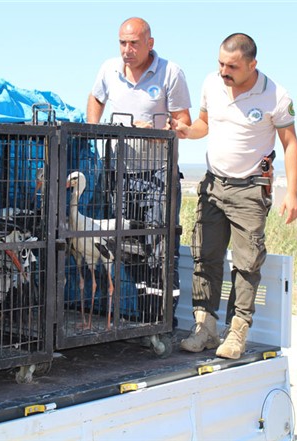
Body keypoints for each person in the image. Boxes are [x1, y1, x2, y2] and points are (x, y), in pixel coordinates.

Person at [173, 33, 297, 359]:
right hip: (214, 184)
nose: (224, 71)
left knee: (246, 263)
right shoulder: (211, 84)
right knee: (206, 256)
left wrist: (293, 193)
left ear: (252, 64)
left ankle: (238, 330)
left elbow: (290, 144)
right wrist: (188, 132)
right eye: (220, 63)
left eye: (232, 66)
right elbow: (204, 124)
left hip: (249, 190)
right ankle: (205, 327)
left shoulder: (276, 95)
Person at [87, 17, 192, 327]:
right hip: (119, 175)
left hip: (158, 175)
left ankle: (162, 321)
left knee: (160, 249)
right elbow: (95, 97)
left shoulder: (171, 72)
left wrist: (161, 130)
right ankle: (144, 315)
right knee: (128, 247)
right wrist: (95, 129)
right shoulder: (108, 70)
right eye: (122, 43)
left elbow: (182, 121)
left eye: (134, 43)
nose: (127, 50)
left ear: (150, 43)